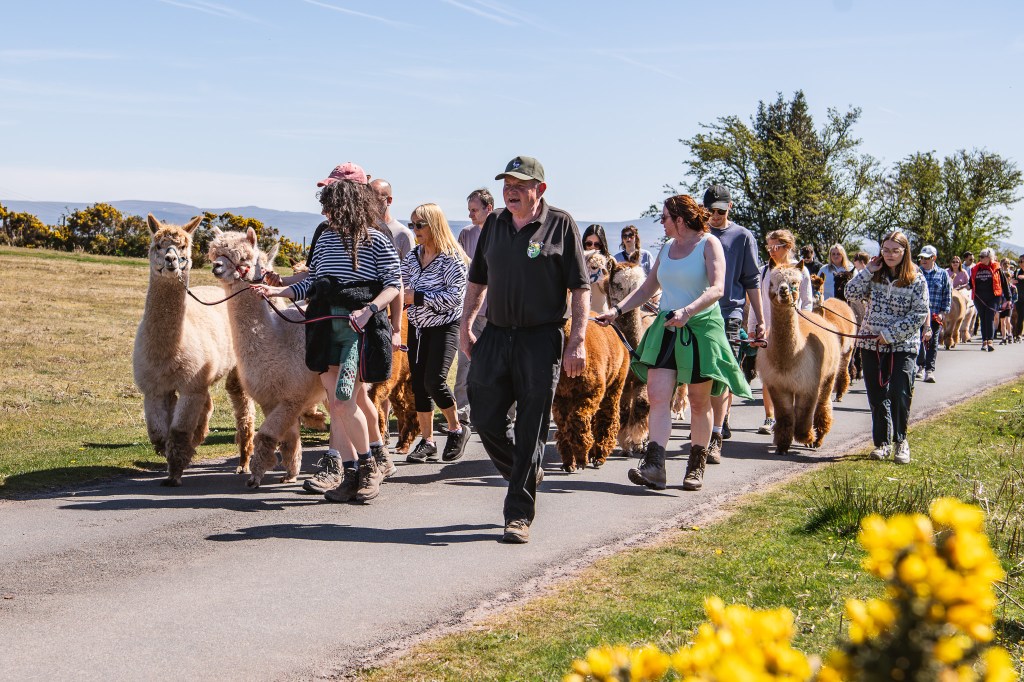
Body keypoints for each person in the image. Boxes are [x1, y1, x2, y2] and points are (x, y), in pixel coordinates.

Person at [253, 163, 402, 501]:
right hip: (324, 331)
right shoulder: (326, 240)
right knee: (336, 405)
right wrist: (276, 291)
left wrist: (370, 311)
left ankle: (368, 468)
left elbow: (393, 285)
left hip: (355, 333)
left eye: (331, 201)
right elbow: (312, 284)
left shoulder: (377, 240)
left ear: (347, 201)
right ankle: (352, 473)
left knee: (345, 400)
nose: (325, 209)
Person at [461, 155, 589, 544]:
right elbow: (477, 280)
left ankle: (518, 514)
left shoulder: (561, 224)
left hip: (541, 339)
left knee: (531, 427)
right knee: (483, 416)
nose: (510, 192)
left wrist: (577, 339)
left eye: (519, 185)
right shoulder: (495, 223)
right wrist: (466, 325)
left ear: (540, 189)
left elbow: (580, 288)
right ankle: (526, 470)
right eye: (507, 185)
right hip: (496, 334)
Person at [597, 194, 751, 491]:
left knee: (698, 401)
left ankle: (696, 466)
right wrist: (616, 311)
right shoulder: (667, 248)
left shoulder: (709, 244)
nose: (661, 223)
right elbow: (647, 288)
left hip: (701, 329)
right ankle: (655, 466)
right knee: (657, 395)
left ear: (680, 219)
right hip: (667, 327)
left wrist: (688, 311)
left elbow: (718, 289)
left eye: (665, 217)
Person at [844, 231, 929, 464]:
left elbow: (919, 313)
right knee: (877, 395)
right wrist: (868, 270)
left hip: (903, 345)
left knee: (900, 392)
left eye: (895, 250)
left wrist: (890, 335)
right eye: (886, 250)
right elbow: (850, 292)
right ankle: (882, 443)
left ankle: (901, 440)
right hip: (871, 343)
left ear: (904, 252)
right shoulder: (874, 276)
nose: (890, 255)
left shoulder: (916, 279)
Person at [402, 204, 471, 464]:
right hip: (417, 327)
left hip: (445, 326)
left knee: (435, 380)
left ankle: (456, 428)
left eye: (420, 225)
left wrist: (417, 297)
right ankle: (427, 441)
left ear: (435, 225)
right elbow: (400, 284)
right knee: (419, 385)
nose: (415, 230)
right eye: (412, 225)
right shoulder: (413, 256)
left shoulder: (452, 258)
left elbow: (455, 298)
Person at [703, 184, 764, 461]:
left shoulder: (742, 236)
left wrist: (759, 319)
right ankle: (710, 425)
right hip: (698, 314)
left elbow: (751, 280)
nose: (715, 216)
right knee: (700, 376)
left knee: (722, 373)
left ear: (730, 207)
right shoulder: (698, 235)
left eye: (720, 210)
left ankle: (716, 434)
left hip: (729, 313)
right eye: (710, 211)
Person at [750, 229, 812, 435]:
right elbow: (758, 301)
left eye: (775, 247)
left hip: (793, 330)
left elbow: (807, 302)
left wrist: (806, 325)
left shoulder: (800, 270)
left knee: (795, 376)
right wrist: (753, 327)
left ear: (788, 247)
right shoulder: (765, 271)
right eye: (768, 247)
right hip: (768, 328)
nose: (771, 251)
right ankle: (770, 417)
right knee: (769, 376)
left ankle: (792, 417)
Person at [453, 188, 495, 425]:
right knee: (465, 364)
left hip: (496, 312)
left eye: (474, 210)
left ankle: (501, 413)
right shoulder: (466, 234)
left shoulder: (504, 232)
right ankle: (462, 412)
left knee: (499, 365)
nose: (470, 215)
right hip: (471, 311)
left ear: (489, 208)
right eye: (469, 210)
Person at [915, 245, 951, 383]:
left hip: (935, 314)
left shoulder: (942, 274)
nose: (923, 260)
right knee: (919, 341)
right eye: (922, 258)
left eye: (927, 258)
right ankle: (920, 366)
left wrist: (943, 312)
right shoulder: (916, 272)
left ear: (934, 258)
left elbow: (947, 294)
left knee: (933, 343)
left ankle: (929, 370)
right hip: (918, 314)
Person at [369, 178, 414, 260]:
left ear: (389, 200)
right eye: (368, 199)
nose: (371, 204)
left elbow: (410, 266)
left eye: (376, 199)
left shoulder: (403, 234)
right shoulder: (364, 230)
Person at [971, 248, 1003, 352]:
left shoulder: (997, 268)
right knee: (983, 318)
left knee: (989, 318)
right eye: (979, 256)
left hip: (993, 297)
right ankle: (984, 341)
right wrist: (966, 286)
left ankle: (990, 341)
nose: (980, 258)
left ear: (989, 258)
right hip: (979, 298)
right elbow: (971, 282)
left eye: (982, 257)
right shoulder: (976, 268)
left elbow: (1004, 283)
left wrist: (1009, 299)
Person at [998, 258, 1015, 344]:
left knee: (1008, 320)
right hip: (1001, 306)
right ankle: (1003, 337)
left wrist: (1011, 302)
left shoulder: (1012, 288)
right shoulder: (1000, 288)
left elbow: (1014, 297)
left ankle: (1010, 334)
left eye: (1007, 278)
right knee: (1002, 322)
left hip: (1008, 306)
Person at [1014, 255, 1024, 342]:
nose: (1021, 263)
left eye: (1022, 261)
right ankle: (1018, 335)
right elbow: (1011, 281)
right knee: (1020, 317)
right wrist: (1012, 281)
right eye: (1019, 262)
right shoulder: (1017, 272)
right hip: (1019, 298)